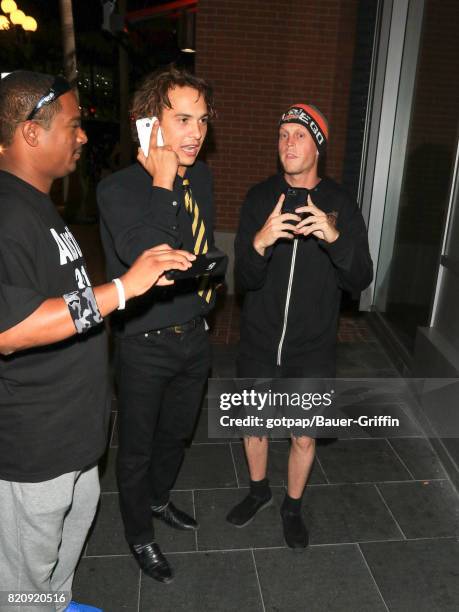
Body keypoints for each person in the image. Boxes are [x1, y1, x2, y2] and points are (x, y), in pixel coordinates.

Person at [0, 70, 195, 612]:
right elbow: (10, 330)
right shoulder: (6, 210)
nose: (84, 136)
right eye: (73, 125)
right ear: (31, 134)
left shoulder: (38, 204)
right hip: (34, 451)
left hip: (74, 439)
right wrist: (122, 289)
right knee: (20, 585)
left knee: (60, 563)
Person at [227, 104, 373, 549]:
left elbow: (361, 278)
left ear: (318, 146)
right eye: (283, 134)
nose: (288, 143)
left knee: (303, 433)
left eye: (299, 135)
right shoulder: (259, 198)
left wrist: (335, 239)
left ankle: (292, 505)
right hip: (258, 338)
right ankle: (258, 491)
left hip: (311, 347)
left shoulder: (341, 204)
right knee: (253, 424)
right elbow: (244, 280)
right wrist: (260, 241)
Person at [97, 66, 221, 583]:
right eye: (184, 119)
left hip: (194, 334)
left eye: (203, 120)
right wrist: (163, 179)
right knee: (138, 446)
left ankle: (159, 499)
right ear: (149, 124)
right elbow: (143, 252)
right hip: (144, 343)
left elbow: (191, 252)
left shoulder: (204, 179)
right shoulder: (117, 188)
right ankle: (138, 535)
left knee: (177, 435)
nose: (196, 132)